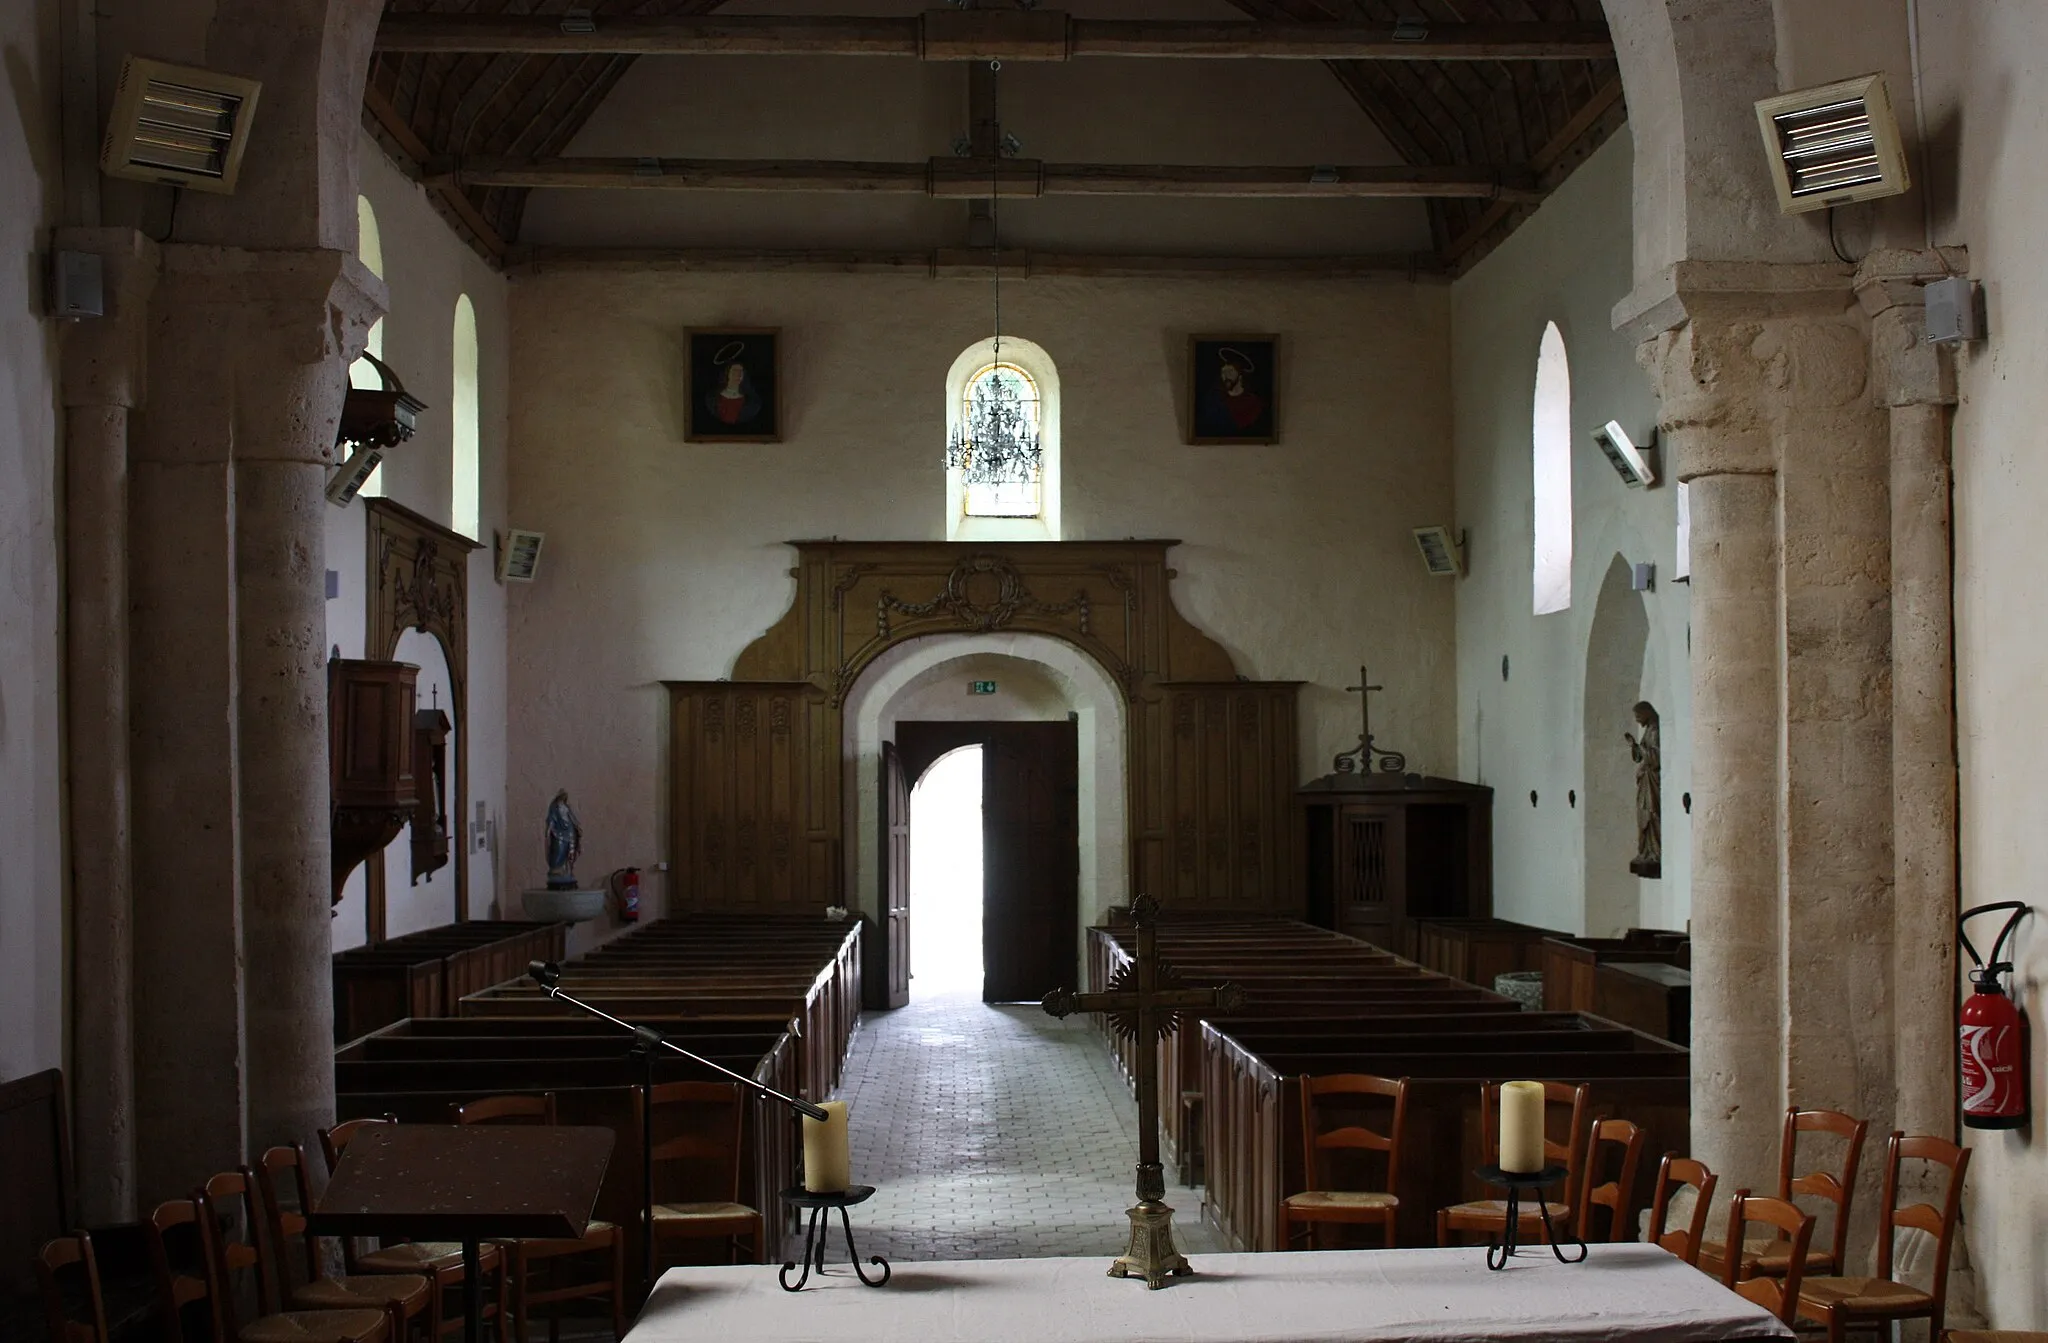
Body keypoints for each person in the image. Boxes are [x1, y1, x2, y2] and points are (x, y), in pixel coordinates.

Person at [1196, 347, 1267, 436]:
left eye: (1230, 371)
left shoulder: (1254, 403)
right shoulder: (1214, 400)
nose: (1226, 376)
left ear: (1240, 374)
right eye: (1223, 372)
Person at [705, 345, 762, 427]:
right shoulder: (712, 398)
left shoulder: (752, 402)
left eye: (741, 372)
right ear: (727, 374)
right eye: (735, 371)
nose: (738, 375)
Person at [545, 788, 583, 890]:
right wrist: (549, 829)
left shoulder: (566, 807)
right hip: (558, 832)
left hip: (569, 832)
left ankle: (566, 870)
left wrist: (577, 827)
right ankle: (556, 869)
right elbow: (551, 819)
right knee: (558, 849)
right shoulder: (554, 807)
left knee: (569, 852)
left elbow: (572, 818)